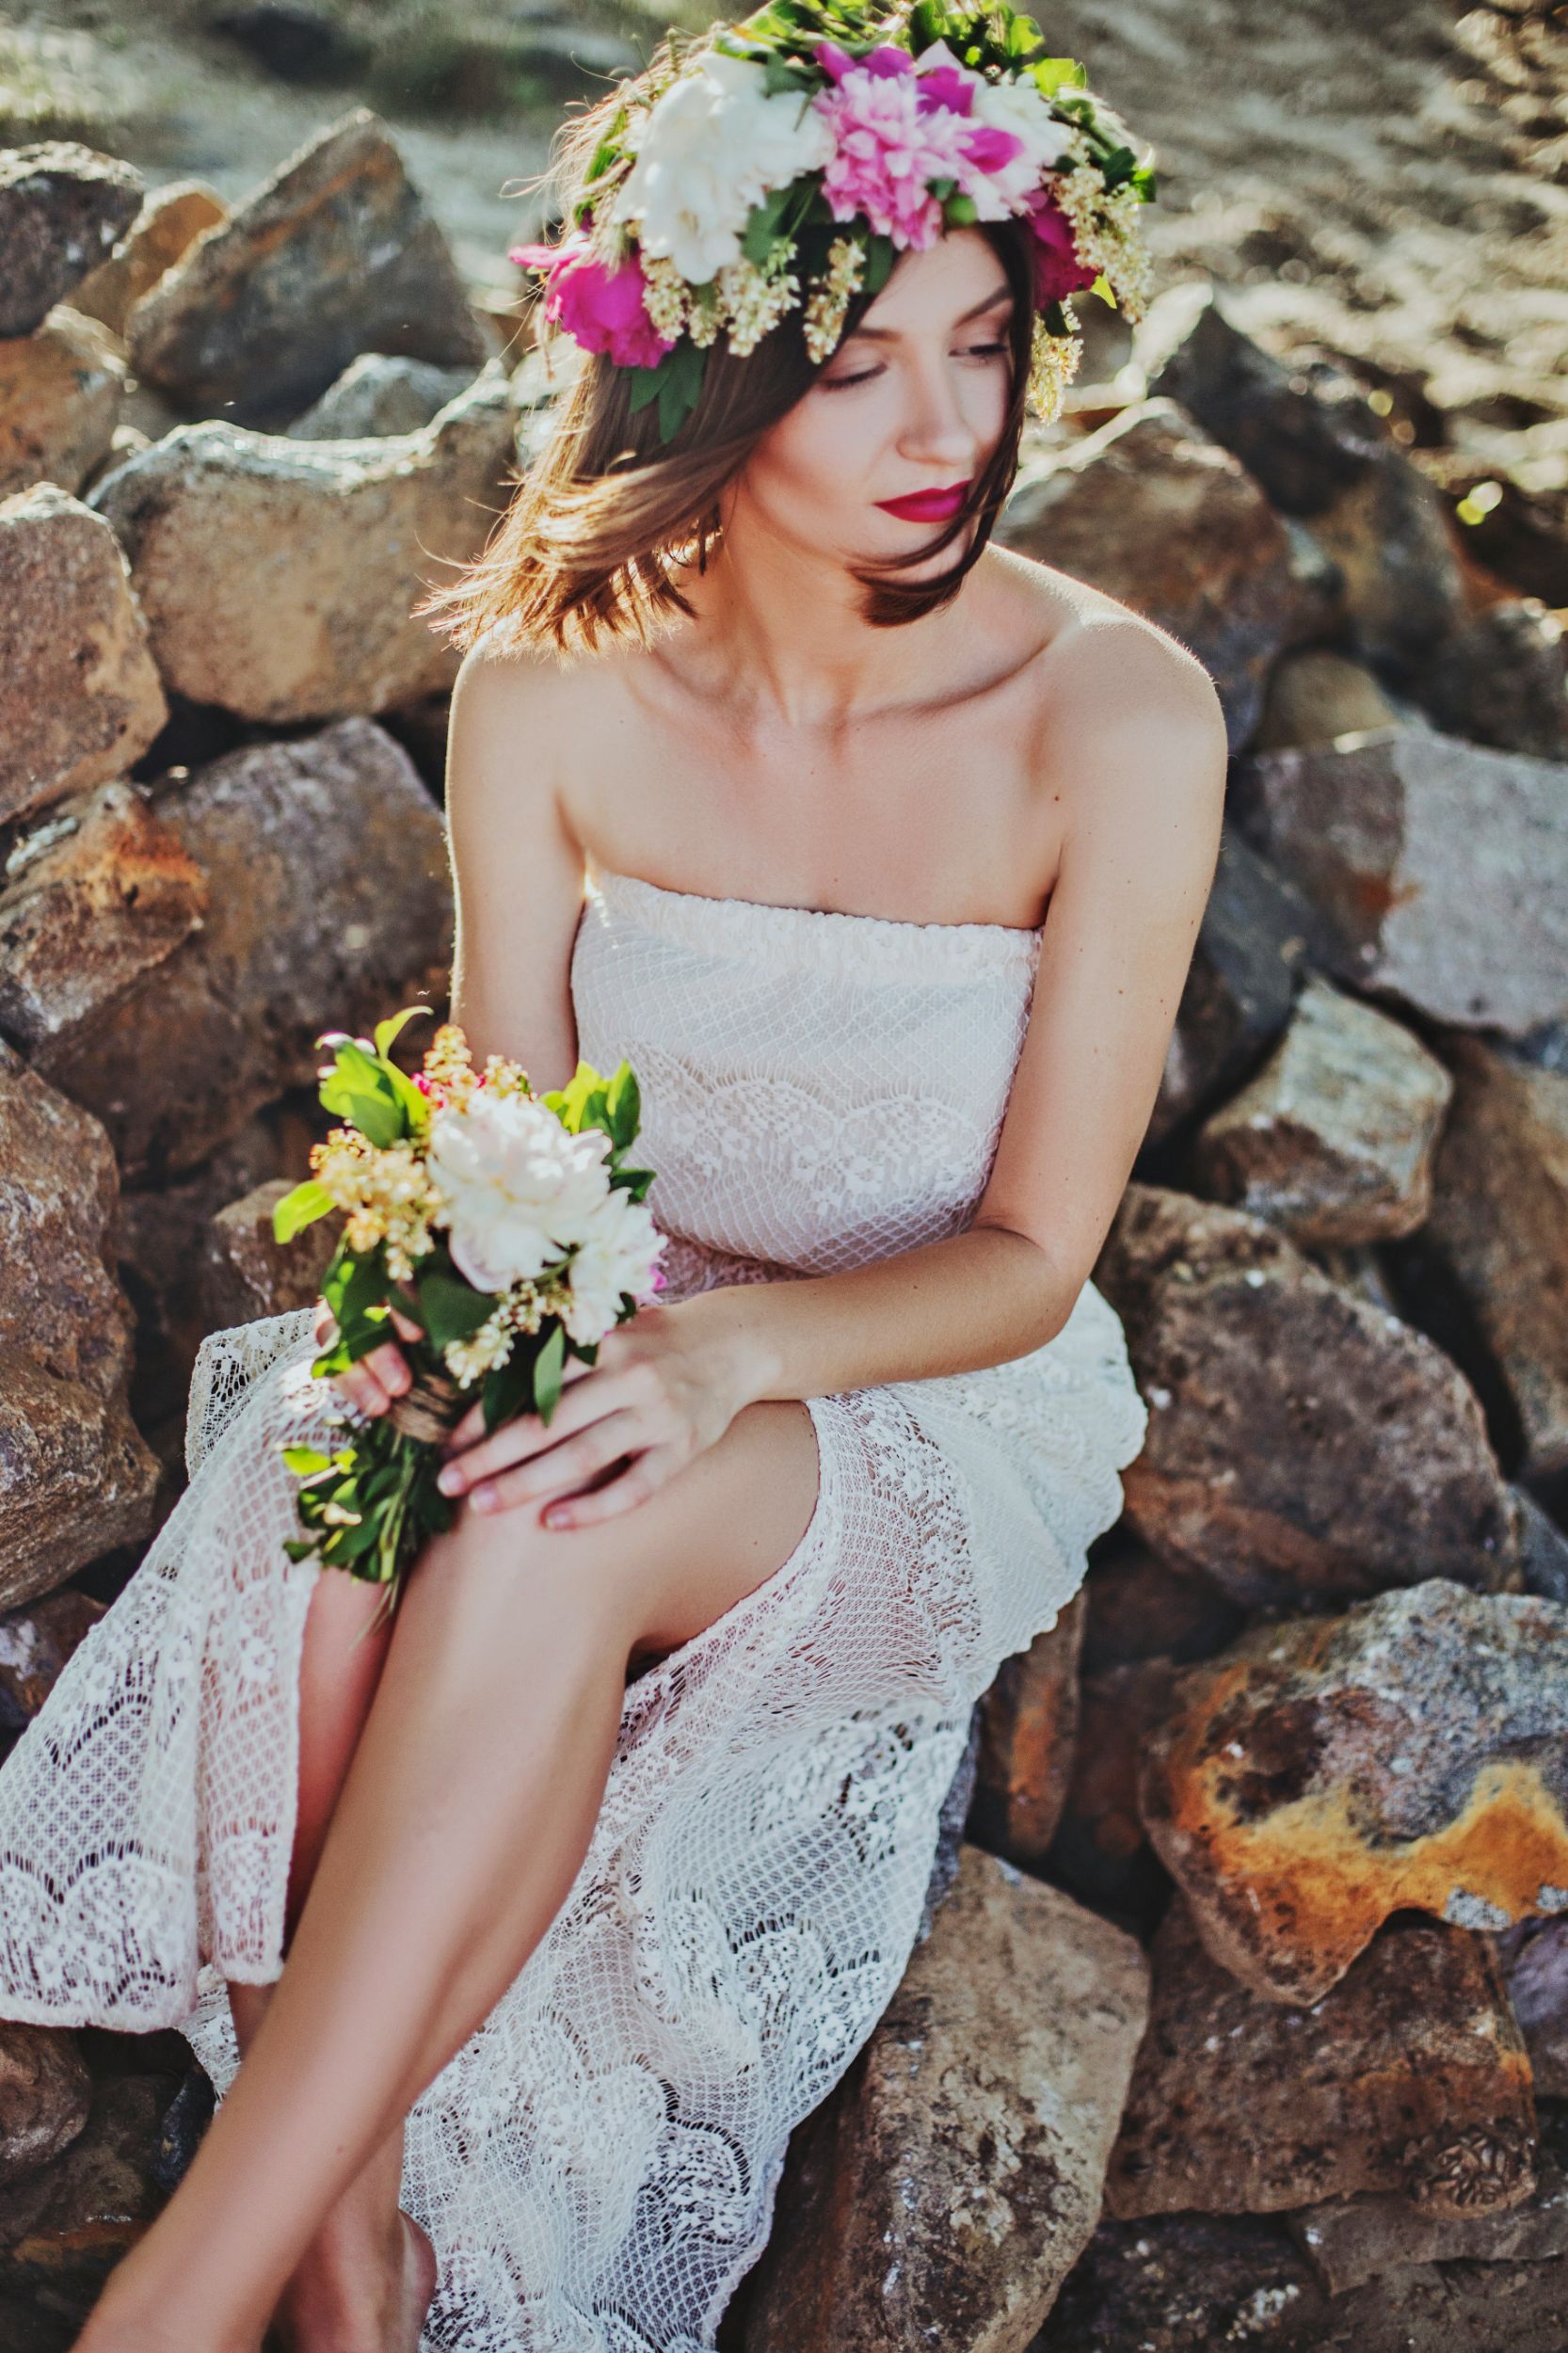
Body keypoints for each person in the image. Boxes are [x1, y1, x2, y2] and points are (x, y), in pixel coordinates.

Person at [0, 8, 1224, 2348]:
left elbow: (1036, 1260)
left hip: (912, 1394)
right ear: (702, 369)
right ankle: (350, 2249)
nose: (946, 431)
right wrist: (451, 1337)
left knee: (557, 1505)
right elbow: (514, 1137)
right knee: (355, 1491)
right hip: (620, 1317)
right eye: (859, 366)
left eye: (985, 347)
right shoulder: (550, 696)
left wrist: (721, 1353)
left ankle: (177, 2294)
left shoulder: (1112, 716)